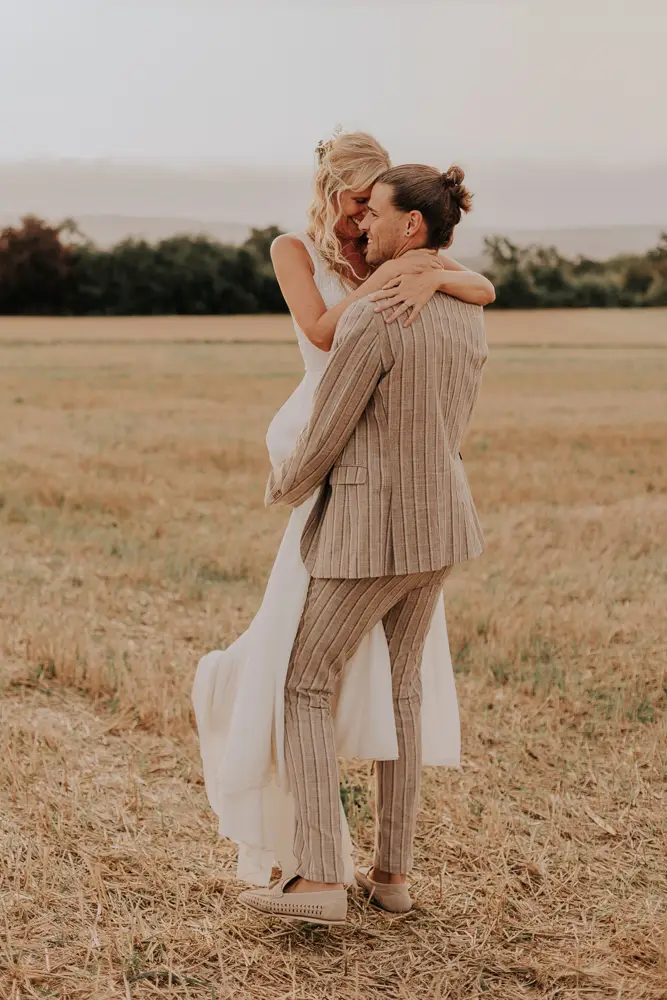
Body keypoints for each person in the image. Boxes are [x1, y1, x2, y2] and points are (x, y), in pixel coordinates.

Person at [191, 133, 493, 894]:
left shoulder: (398, 295)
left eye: (376, 207)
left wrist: (289, 483)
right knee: (399, 684)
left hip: (357, 503)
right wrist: (412, 273)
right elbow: (334, 336)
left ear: (408, 221)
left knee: (302, 679)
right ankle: (390, 874)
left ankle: (321, 878)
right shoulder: (411, 288)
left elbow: (335, 415)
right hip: (437, 512)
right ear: (331, 193)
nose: (363, 223)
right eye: (357, 204)